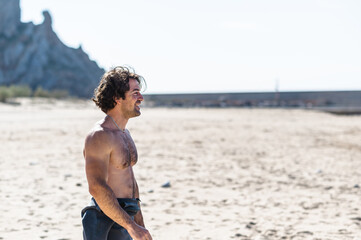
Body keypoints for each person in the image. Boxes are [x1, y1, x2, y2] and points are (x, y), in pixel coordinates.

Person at [81, 66, 152, 240]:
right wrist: (132, 226)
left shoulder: (124, 133)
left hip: (126, 217)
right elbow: (97, 187)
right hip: (104, 219)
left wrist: (139, 222)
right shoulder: (99, 136)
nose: (141, 98)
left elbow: (129, 179)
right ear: (117, 98)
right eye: (135, 93)